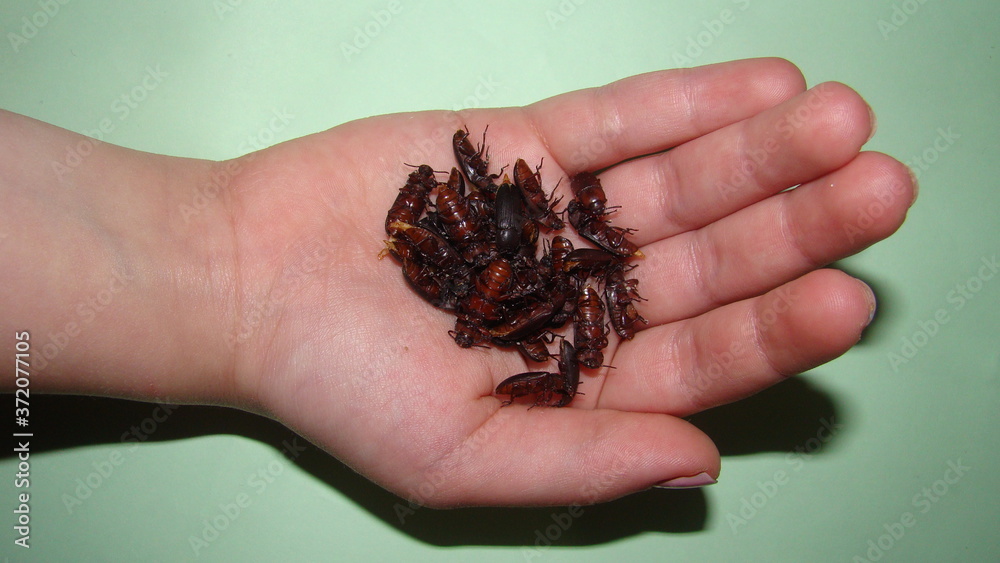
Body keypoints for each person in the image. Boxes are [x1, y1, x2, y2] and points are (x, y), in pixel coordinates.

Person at [0, 58, 914, 507]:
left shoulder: (537, 271)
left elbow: (525, 261)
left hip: (527, 280)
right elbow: (491, 257)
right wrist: (236, 271)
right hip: (500, 270)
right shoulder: (472, 251)